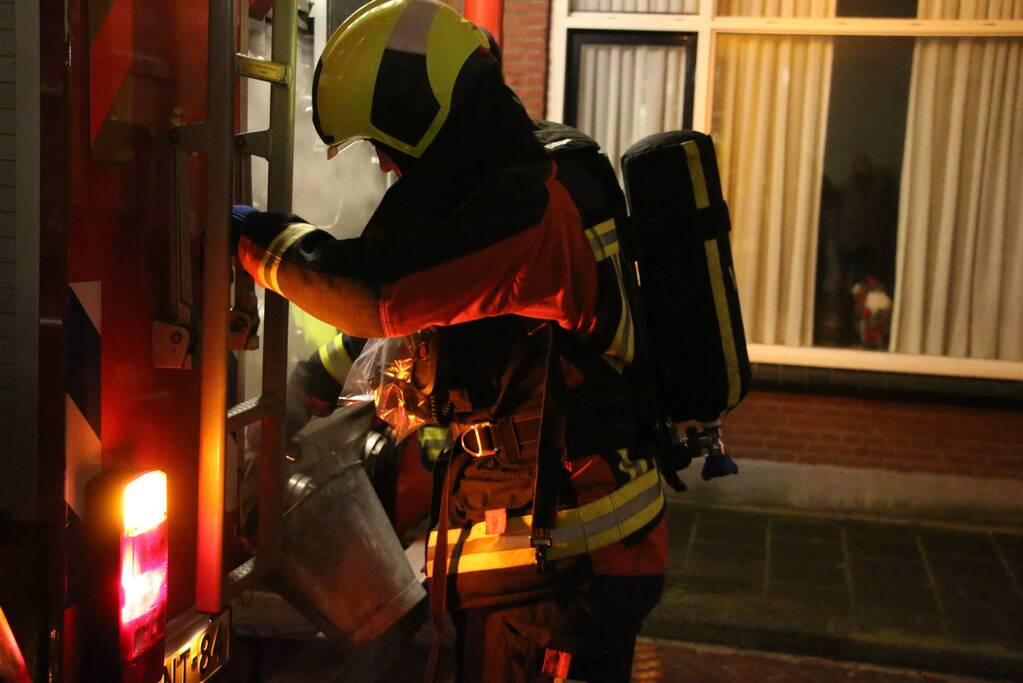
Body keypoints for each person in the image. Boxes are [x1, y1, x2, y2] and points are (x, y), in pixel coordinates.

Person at [232, 0, 667, 679]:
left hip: (563, 567)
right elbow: (427, 303)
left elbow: (380, 291)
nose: (381, 167)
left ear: (419, 118)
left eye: (383, 145)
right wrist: (309, 387)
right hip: (549, 551)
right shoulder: (513, 176)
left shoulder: (526, 216)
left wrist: (251, 237)